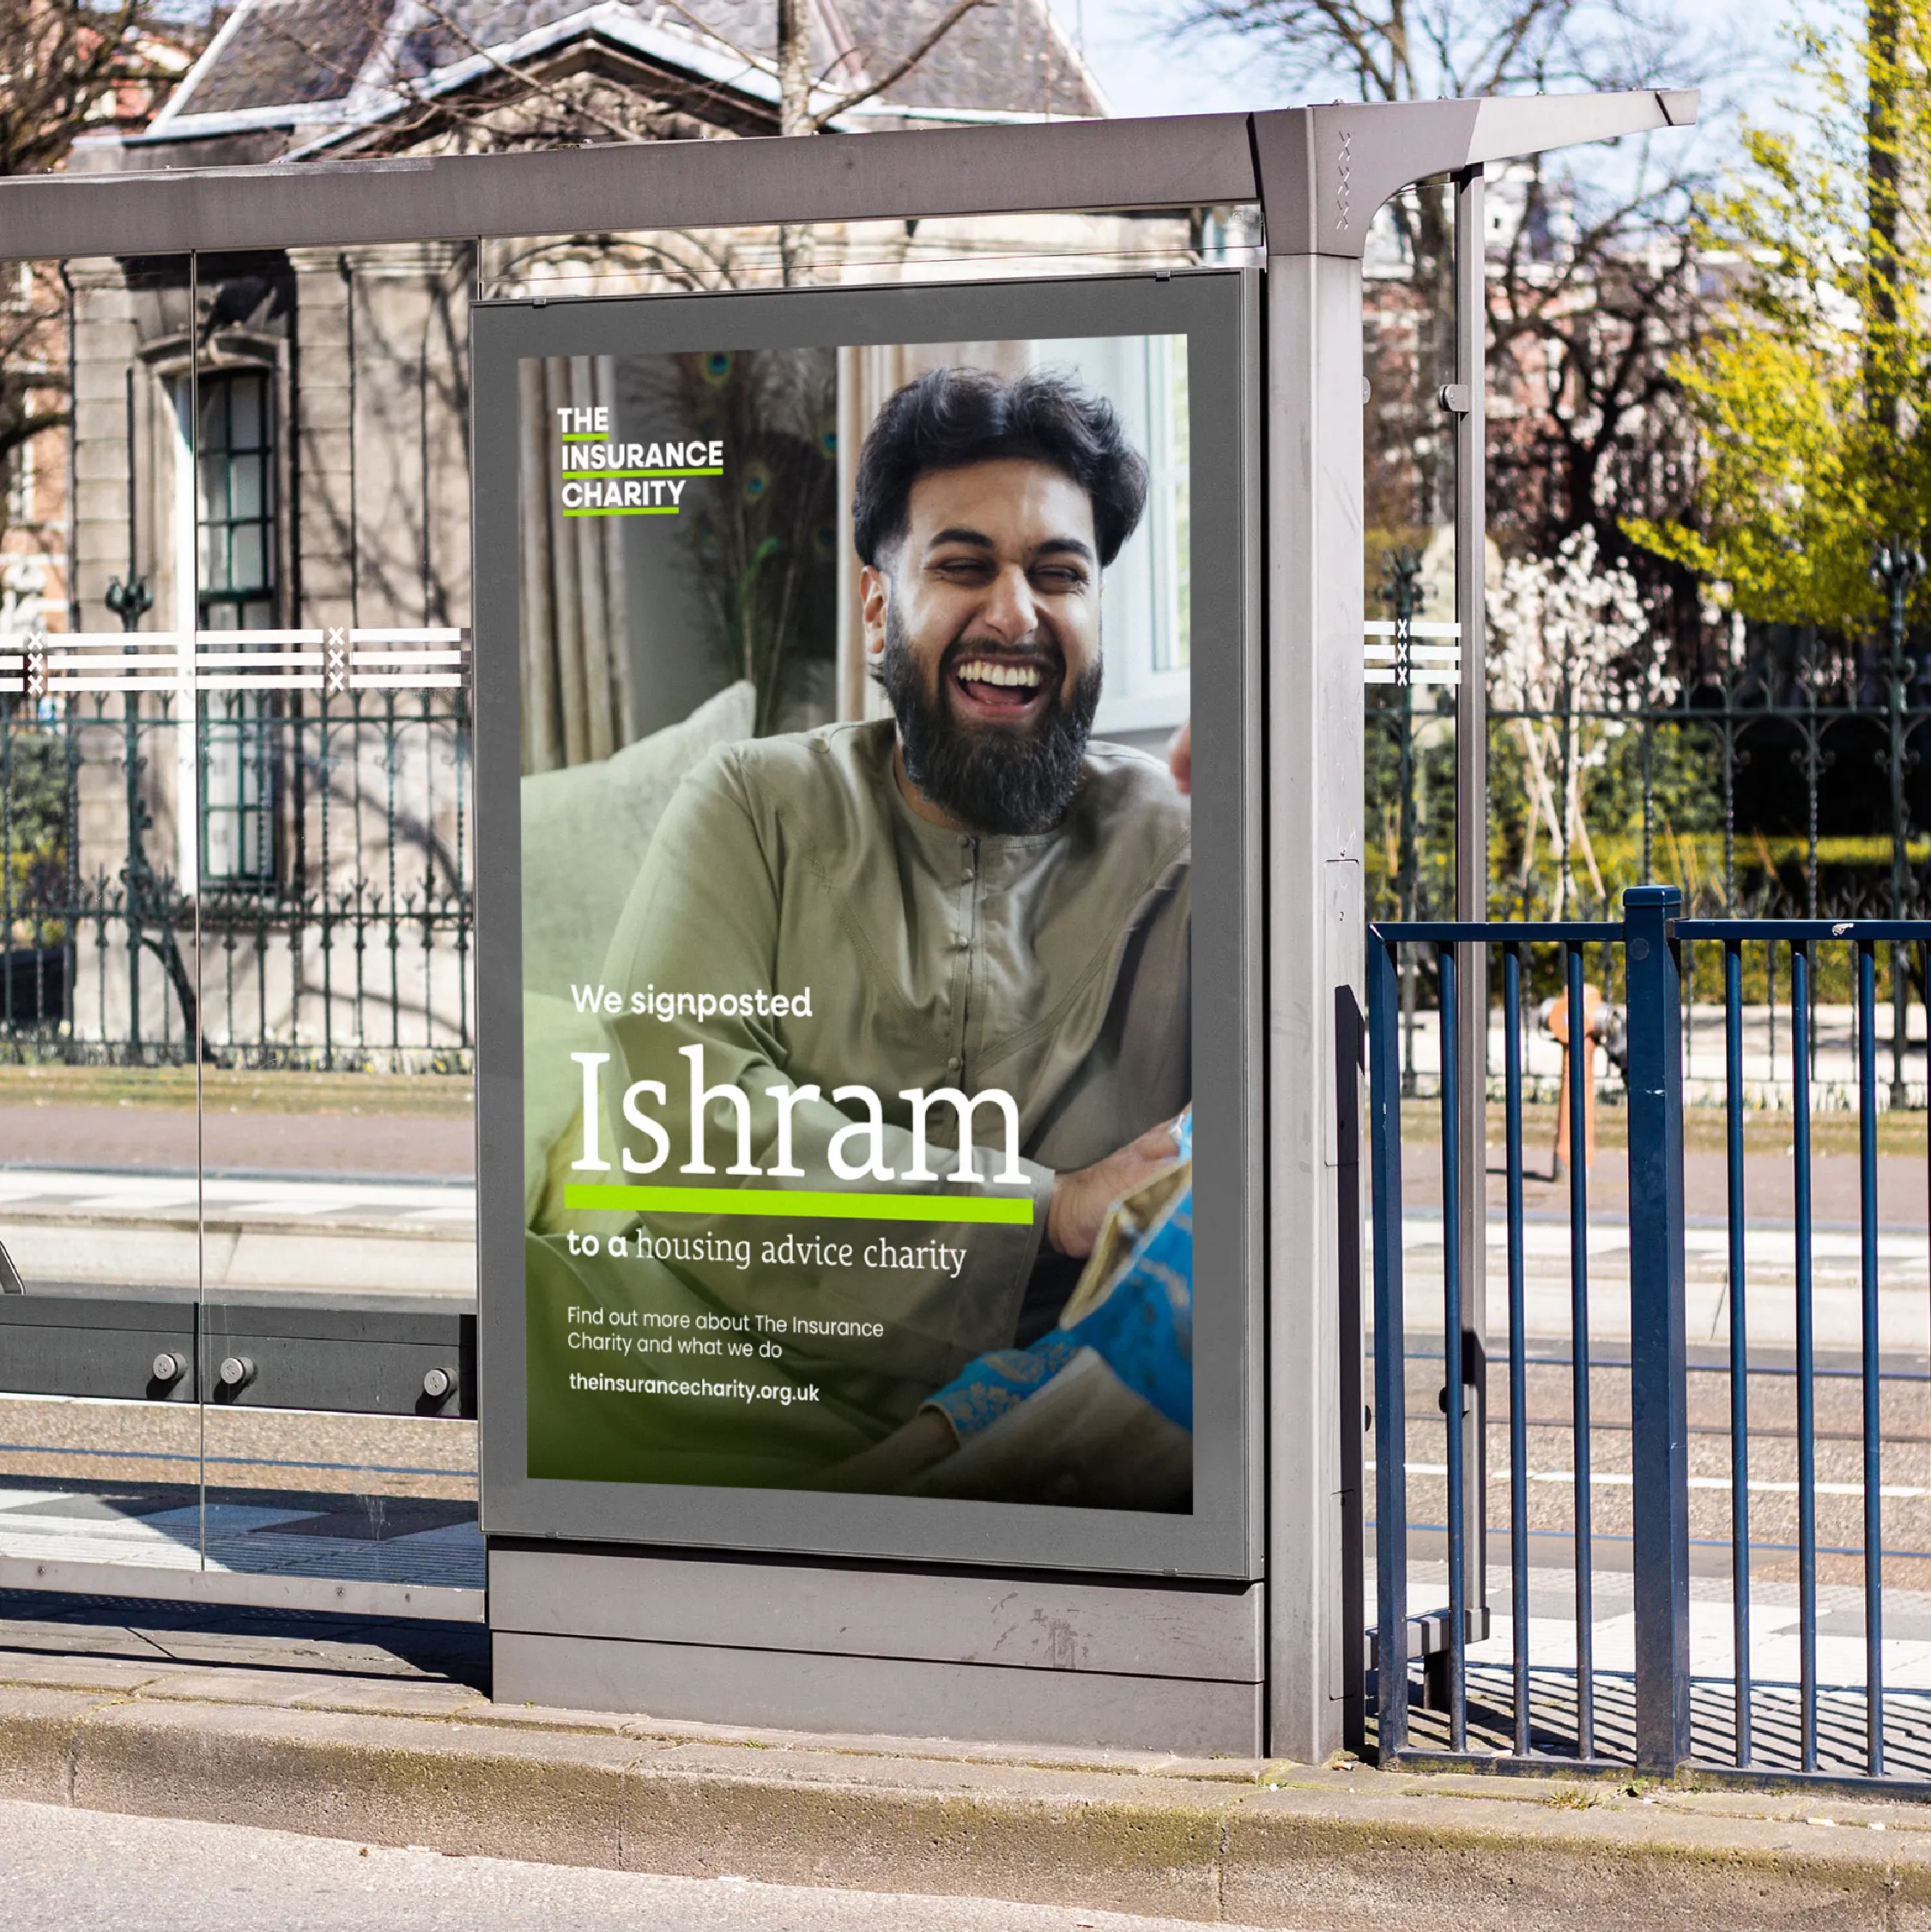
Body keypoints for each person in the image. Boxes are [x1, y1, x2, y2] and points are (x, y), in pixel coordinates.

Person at [526, 364, 1191, 1495]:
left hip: (1055, 1412)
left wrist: (1283, 854)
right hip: (717, 1392)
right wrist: (1048, 1212)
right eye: (963, 566)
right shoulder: (752, 801)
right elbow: (684, 1123)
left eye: (1058, 575)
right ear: (878, 601)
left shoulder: (1176, 840)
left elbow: (1293, 1150)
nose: (1015, 613)